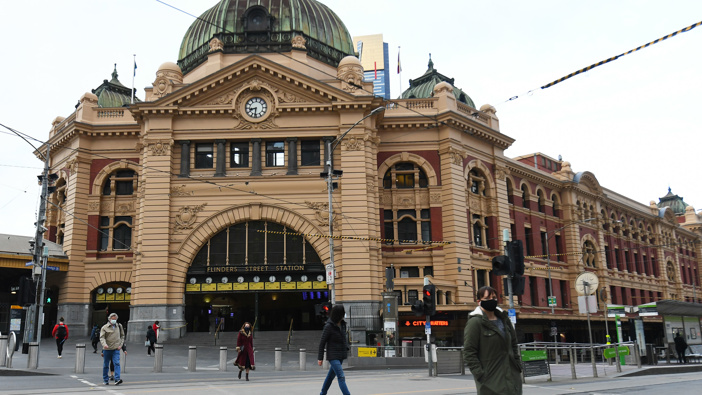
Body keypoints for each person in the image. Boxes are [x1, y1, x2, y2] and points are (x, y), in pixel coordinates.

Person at [463, 286, 522, 395]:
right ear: (479, 302)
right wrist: (480, 374)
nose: (492, 300)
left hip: (512, 378)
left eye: (494, 298)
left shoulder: (504, 320)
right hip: (490, 382)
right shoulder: (475, 323)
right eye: (487, 298)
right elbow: (469, 352)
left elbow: (513, 344)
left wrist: (517, 365)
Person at [317, 304, 350, 395]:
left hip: (341, 355)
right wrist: (320, 358)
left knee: (330, 376)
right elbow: (322, 342)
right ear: (339, 314)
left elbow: (343, 338)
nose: (344, 315)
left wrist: (346, 348)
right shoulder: (329, 326)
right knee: (341, 376)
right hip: (333, 355)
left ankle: (323, 393)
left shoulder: (343, 325)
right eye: (343, 313)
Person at [100, 313, 125, 386]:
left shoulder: (119, 326)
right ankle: (105, 380)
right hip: (107, 349)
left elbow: (122, 336)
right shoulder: (104, 327)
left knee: (116, 363)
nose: (114, 320)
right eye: (112, 319)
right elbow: (102, 337)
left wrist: (120, 345)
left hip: (116, 349)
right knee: (106, 365)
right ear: (109, 319)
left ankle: (117, 379)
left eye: (115, 319)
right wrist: (104, 344)